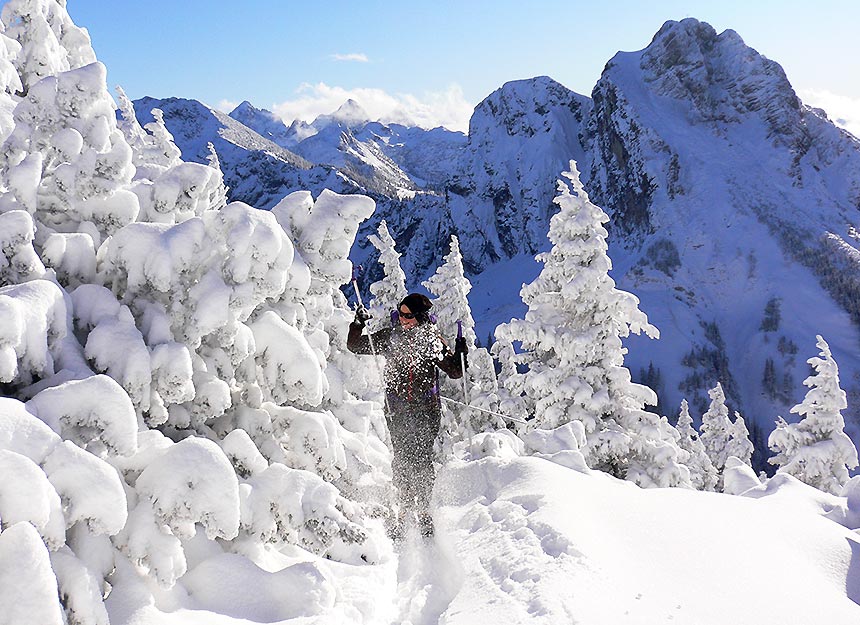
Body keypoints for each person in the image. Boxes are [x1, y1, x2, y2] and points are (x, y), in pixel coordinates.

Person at [347, 293, 467, 539]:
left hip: (426, 410)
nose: (403, 319)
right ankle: (404, 510)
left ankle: (423, 511)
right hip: (397, 410)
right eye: (401, 313)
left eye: (408, 315)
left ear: (420, 317)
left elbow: (455, 372)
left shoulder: (432, 342)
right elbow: (355, 346)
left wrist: (460, 353)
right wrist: (357, 324)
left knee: (421, 460)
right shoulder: (390, 338)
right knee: (402, 458)